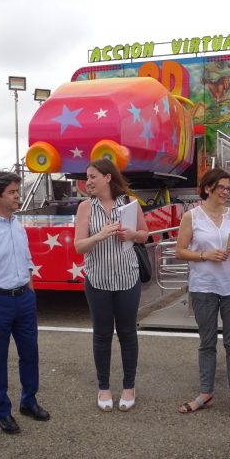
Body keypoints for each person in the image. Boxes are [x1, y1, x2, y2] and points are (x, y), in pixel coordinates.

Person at [0, 171, 50, 435]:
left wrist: (31, 292)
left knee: (30, 354)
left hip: (23, 299)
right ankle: (2, 411)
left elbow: (26, 262)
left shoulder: (17, 224)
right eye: (12, 192)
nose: (18, 196)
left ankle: (29, 401)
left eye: (17, 191)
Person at [73, 158, 149, 412]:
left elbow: (145, 234)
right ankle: (103, 387)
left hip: (127, 278)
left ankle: (129, 386)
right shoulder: (85, 207)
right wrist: (99, 235)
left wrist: (132, 235)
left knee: (127, 333)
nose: (88, 181)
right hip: (97, 280)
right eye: (87, 177)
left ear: (108, 177)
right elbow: (78, 246)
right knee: (102, 334)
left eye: (93, 176)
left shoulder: (129, 203)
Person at [175, 168, 230, 422]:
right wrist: (204, 255)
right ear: (208, 188)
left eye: (229, 189)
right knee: (207, 342)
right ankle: (205, 393)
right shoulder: (192, 216)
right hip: (204, 285)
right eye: (222, 188)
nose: (226, 192)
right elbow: (180, 251)